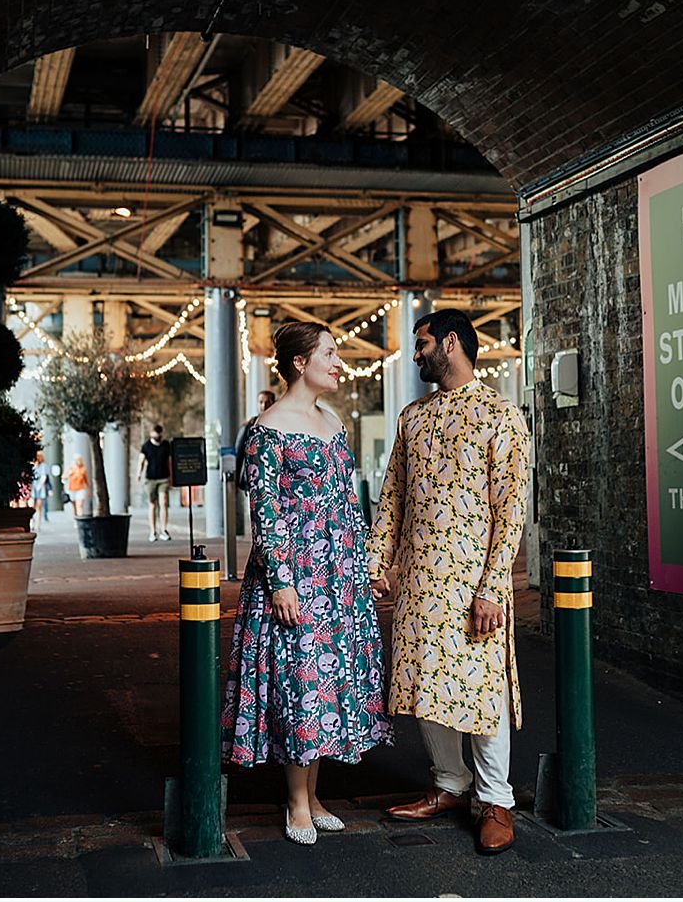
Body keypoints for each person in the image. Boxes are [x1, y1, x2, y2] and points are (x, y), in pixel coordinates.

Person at [366, 308, 530, 855]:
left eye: (421, 344)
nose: (414, 355)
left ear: (451, 343)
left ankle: (496, 798)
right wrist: (377, 561)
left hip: (474, 585)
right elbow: (393, 495)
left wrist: (491, 586)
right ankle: (451, 785)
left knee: (482, 690)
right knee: (423, 686)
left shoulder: (499, 415)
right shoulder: (412, 417)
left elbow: (511, 512)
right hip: (419, 581)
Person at [221, 322, 392, 846]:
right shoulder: (268, 428)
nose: (340, 362)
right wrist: (281, 582)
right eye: (330, 354)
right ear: (300, 363)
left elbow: (348, 502)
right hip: (296, 575)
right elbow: (266, 512)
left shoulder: (333, 421)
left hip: (339, 574)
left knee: (330, 683)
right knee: (301, 684)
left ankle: (314, 797)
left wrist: (365, 562)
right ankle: (295, 802)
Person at [137, 424, 172, 542]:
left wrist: (171, 477)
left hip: (164, 478)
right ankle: (152, 531)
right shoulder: (146, 446)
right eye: (155, 433)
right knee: (152, 504)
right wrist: (139, 474)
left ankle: (164, 530)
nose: (157, 435)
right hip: (150, 479)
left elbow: (169, 461)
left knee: (164, 502)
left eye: (159, 433)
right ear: (151, 433)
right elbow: (141, 461)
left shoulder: (166, 445)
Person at [30, 450, 49, 527]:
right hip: (33, 485)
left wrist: (39, 486)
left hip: (39, 487)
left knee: (39, 505)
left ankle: (38, 523)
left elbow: (44, 476)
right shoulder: (33, 465)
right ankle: (32, 522)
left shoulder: (43, 465)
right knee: (31, 505)